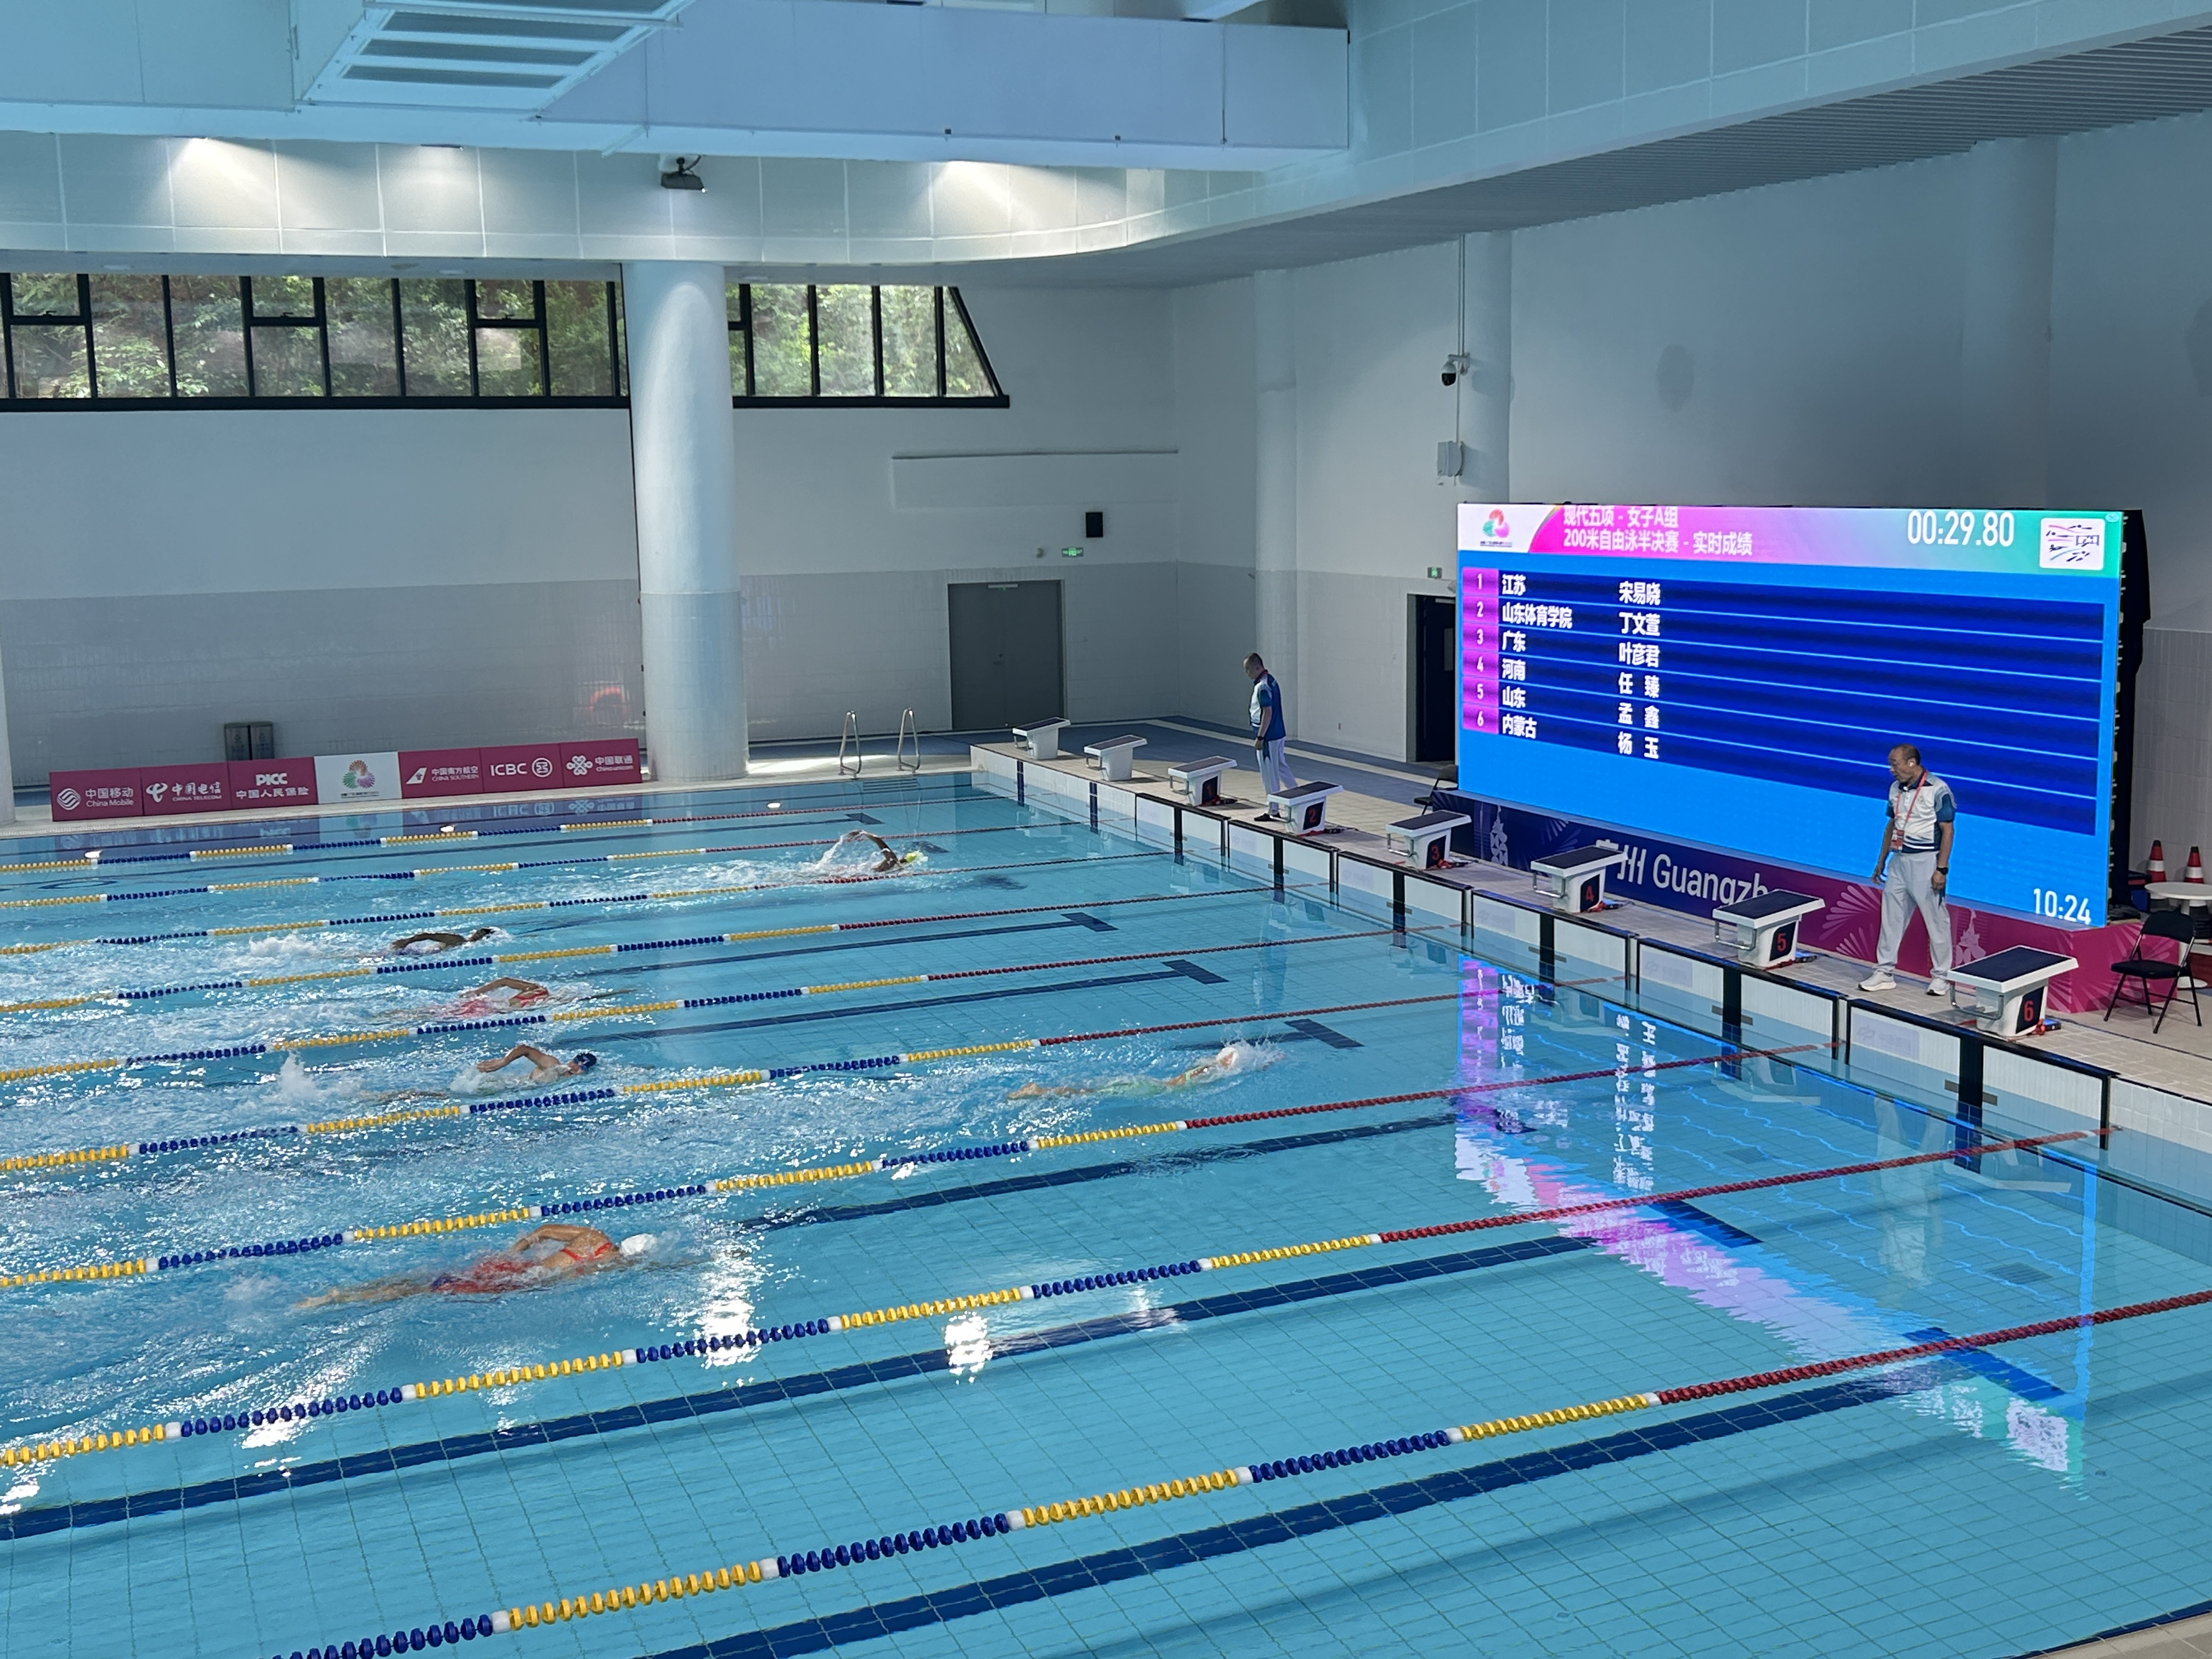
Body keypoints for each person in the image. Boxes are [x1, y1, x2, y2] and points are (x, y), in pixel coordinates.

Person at [296, 1223, 651, 1307]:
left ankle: (354, 1290)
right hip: (519, 1282)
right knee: (425, 1291)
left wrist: (512, 1254)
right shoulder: (611, 1265)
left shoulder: (593, 1236)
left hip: (509, 1268)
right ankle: (340, 1298)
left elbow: (542, 1231)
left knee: (429, 1279)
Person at [1859, 744, 1956, 995]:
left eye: (1895, 764)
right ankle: (1884, 972)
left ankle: (1942, 976)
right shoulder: (1895, 788)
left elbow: (1948, 831)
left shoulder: (1938, 789)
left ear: (1912, 762)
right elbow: (1892, 825)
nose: (1892, 769)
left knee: (1936, 921)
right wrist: (1881, 860)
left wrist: (1942, 869)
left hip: (1927, 862)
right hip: (1899, 861)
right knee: (1891, 918)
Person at [1007, 1043, 1263, 1101]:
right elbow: (1195, 1074)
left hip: (1147, 1084)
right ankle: (1040, 1091)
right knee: (1091, 1093)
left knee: (1093, 1092)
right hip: (1148, 1088)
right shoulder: (1209, 1070)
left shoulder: (1209, 1067)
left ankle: (1044, 1091)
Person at [1245, 653, 1295, 819]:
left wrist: (1260, 738)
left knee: (1269, 773)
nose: (1247, 673)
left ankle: (1273, 810)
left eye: (1248, 669)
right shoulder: (1271, 680)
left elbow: (1267, 712)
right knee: (1281, 768)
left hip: (1269, 737)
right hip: (1277, 733)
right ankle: (1298, 798)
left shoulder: (1263, 686)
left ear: (1257, 667)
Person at [476, 1042, 597, 1084]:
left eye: (582, 1067)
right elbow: (525, 1049)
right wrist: (503, 1062)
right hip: (502, 1086)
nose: (575, 1067)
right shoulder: (552, 1065)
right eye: (575, 1062)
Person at [389, 927, 496, 955]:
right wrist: (407, 941)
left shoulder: (466, 945)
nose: (478, 936)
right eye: (479, 932)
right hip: (412, 953)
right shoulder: (458, 939)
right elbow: (428, 935)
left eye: (482, 935)